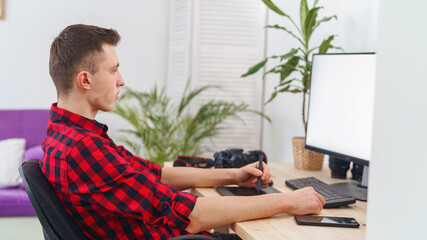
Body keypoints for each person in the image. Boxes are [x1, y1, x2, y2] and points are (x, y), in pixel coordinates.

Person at [40, 24, 325, 240]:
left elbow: (154, 174)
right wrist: (289, 200)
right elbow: (193, 215)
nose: (122, 81)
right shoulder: (83, 149)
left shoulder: (68, 134)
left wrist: (234, 175)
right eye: (114, 71)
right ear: (85, 80)